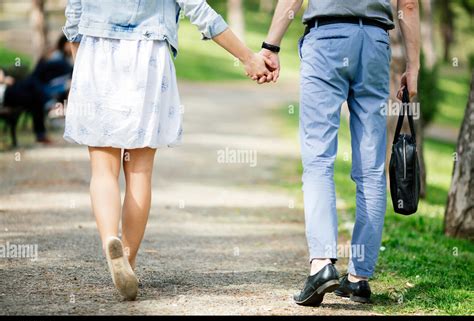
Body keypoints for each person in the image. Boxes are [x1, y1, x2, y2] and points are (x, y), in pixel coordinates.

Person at [62, 0, 275, 300]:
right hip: (147, 55)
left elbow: (74, 11)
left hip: (96, 51)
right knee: (139, 171)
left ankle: (111, 238)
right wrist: (248, 57)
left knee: (102, 169)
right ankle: (128, 259)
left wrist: (79, 63)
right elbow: (198, 9)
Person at [258, 0, 420, 305]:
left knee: (319, 158)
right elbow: (408, 5)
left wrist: (271, 45)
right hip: (374, 42)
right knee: (372, 170)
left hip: (327, 38)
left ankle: (321, 265)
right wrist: (413, 66)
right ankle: (359, 279)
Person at [0, 36, 74, 144]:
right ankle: (48, 104)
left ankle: (41, 133)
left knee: (34, 93)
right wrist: (4, 79)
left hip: (10, 92)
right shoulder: (59, 58)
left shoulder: (62, 58)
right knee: (33, 85)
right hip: (4, 94)